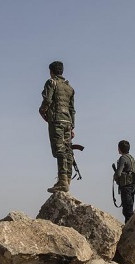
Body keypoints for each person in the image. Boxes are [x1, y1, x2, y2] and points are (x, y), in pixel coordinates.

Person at [38, 61, 76, 193]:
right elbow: (72, 109)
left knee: (59, 150)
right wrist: (72, 127)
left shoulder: (51, 82)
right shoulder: (69, 87)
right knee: (68, 151)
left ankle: (62, 181)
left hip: (56, 120)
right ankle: (67, 180)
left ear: (51, 71)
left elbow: (47, 100)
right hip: (67, 122)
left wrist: (42, 111)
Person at [114, 140, 135, 223]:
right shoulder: (131, 158)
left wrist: (116, 177)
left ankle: (130, 230)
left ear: (119, 148)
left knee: (127, 211)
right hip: (133, 186)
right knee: (129, 208)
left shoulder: (123, 158)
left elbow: (118, 173)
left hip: (126, 187)